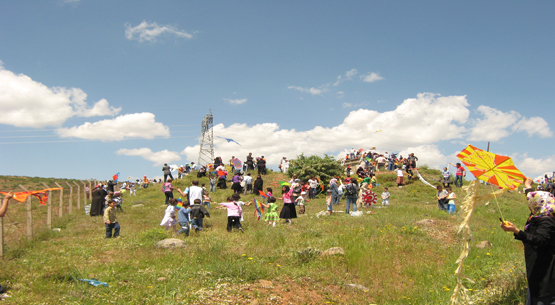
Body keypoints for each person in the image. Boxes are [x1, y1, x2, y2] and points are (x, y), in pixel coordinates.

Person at [500, 190, 555, 305]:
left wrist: (516, 231)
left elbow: (540, 240)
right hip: (536, 274)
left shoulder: (547, 221)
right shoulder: (537, 217)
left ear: (537, 203)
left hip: (545, 276)